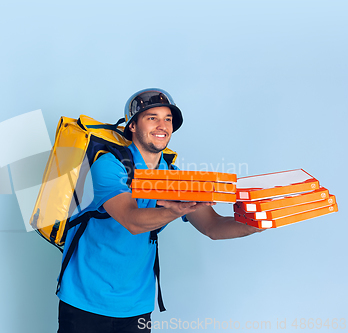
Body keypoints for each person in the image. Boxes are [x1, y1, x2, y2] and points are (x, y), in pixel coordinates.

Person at [56, 88, 262, 333]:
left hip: (137, 305)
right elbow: (131, 221)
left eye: (168, 119)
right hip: (85, 299)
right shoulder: (108, 164)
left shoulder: (174, 176)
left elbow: (213, 227)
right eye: (152, 117)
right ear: (132, 126)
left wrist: (258, 221)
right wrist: (178, 209)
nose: (162, 125)